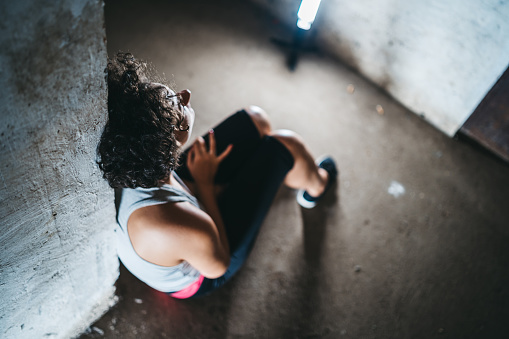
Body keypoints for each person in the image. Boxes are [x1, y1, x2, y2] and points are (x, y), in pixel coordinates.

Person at [97, 52, 337, 299]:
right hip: (205, 272)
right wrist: (205, 185)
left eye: (173, 96)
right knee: (285, 145)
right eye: (179, 105)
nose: (186, 93)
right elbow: (218, 265)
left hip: (178, 200)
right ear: (171, 142)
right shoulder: (177, 222)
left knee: (255, 120)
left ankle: (270, 172)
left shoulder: (134, 160)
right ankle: (317, 185)